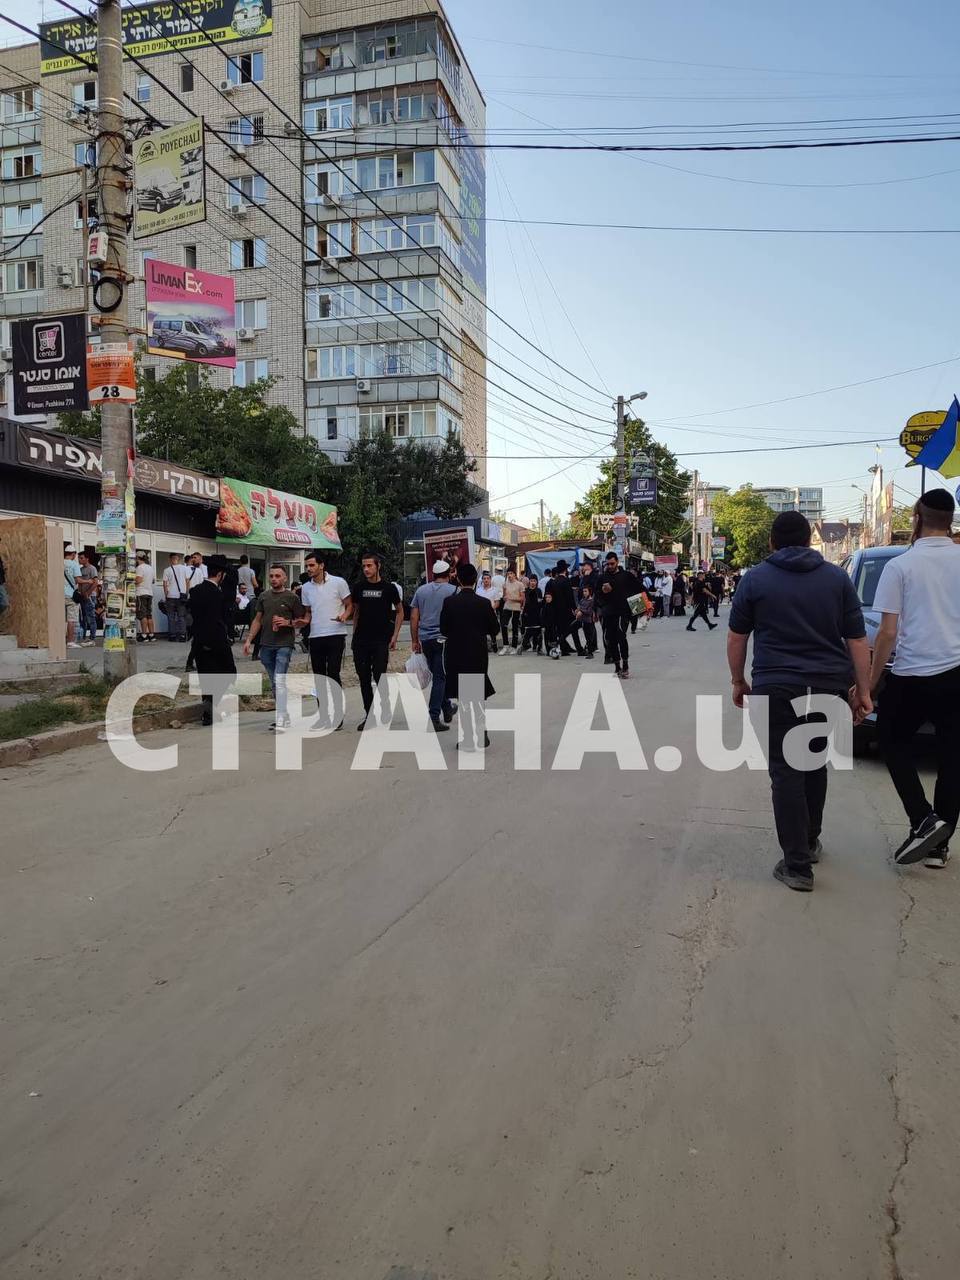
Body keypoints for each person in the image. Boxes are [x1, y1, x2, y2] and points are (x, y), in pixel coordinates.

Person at [727, 510, 871, 893]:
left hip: (776, 687)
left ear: (771, 542)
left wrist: (738, 681)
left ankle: (797, 866)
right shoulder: (837, 578)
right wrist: (864, 690)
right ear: (809, 541)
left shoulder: (755, 578)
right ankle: (809, 841)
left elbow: (737, 637)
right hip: (827, 686)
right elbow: (857, 639)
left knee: (786, 771)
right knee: (813, 763)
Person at [869, 489, 960, 868]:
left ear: (917, 519)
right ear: (950, 520)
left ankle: (922, 817)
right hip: (957, 673)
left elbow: (887, 633)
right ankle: (939, 848)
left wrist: (869, 683)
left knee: (891, 739)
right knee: (952, 756)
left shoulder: (900, 566)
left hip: (912, 674)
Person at [439, 563, 500, 751]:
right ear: (475, 580)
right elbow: (495, 629)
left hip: (456, 654)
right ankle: (482, 733)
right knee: (477, 695)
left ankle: (467, 739)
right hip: (477, 654)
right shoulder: (483, 603)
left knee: (464, 697)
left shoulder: (449, 602)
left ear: (458, 579)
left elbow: (443, 629)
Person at [243, 565, 305, 733]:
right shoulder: (264, 596)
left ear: (285, 578)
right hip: (266, 644)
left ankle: (281, 717)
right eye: (271, 576)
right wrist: (249, 640)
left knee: (279, 680)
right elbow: (257, 620)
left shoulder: (292, 597)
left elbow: (302, 620)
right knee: (274, 682)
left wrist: (288, 623)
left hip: (284, 644)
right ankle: (284, 715)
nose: (274, 579)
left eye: (278, 576)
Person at [300, 549, 353, 732]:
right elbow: (308, 612)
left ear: (321, 566)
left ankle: (338, 716)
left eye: (312, 565)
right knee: (319, 678)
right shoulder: (306, 588)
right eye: (307, 566)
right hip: (315, 636)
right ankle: (323, 717)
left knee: (333, 674)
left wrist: (344, 616)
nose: (309, 569)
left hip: (336, 634)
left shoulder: (338, 582)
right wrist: (303, 622)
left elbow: (349, 605)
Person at [351, 552, 403, 731]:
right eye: (364, 566)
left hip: (381, 640)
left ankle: (385, 706)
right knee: (364, 678)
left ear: (378, 566)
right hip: (361, 640)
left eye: (369, 565)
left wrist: (395, 635)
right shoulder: (358, 588)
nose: (366, 569)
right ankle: (369, 714)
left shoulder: (389, 588)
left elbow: (400, 611)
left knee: (380, 676)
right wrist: (354, 635)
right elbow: (356, 612)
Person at [187, 554, 236, 726]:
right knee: (229, 673)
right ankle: (210, 705)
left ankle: (208, 714)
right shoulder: (218, 594)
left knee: (206, 677)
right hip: (216, 640)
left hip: (199, 641)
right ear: (220, 575)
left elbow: (192, 616)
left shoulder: (195, 591)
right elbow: (219, 620)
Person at [410, 559, 458, 731]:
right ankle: (434, 716)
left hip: (425, 639)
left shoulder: (421, 590)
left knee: (438, 676)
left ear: (434, 574)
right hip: (443, 639)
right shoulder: (454, 591)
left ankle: (447, 707)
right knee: (440, 677)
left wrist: (414, 640)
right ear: (448, 574)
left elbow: (414, 617)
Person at [596, 551, 636, 678]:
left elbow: (638, 588)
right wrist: (602, 595)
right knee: (611, 639)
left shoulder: (626, 576)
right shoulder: (602, 577)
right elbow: (597, 594)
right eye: (608, 564)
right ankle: (617, 666)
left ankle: (625, 665)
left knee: (621, 636)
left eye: (612, 564)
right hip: (608, 612)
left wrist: (648, 603)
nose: (610, 566)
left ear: (617, 562)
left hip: (623, 612)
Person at [545, 560, 584, 659]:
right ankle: (579, 649)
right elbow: (570, 597)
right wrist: (575, 609)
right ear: (565, 570)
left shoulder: (554, 582)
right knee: (574, 628)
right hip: (566, 610)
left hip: (556, 610)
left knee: (561, 629)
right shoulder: (566, 581)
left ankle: (564, 649)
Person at [162, 553, 189, 642]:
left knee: (171, 616)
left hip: (171, 596)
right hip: (181, 596)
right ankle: (182, 636)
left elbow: (165, 584)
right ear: (178, 559)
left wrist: (166, 595)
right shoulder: (184, 568)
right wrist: (186, 593)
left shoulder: (167, 570)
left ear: (170, 559)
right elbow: (187, 582)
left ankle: (172, 636)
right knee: (181, 616)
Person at [76, 552, 99, 646]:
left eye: (81, 558)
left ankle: (92, 637)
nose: (79, 560)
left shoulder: (92, 569)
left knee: (91, 617)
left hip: (90, 596)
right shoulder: (80, 569)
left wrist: (88, 593)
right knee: (83, 617)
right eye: (79, 558)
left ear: (87, 559)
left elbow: (95, 582)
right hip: (82, 595)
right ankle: (83, 637)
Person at [476, 570, 502, 654]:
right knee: (482, 630)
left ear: (490, 580)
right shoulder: (478, 590)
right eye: (484, 579)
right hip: (481, 614)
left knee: (492, 630)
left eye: (488, 578)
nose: (486, 580)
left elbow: (497, 602)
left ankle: (494, 643)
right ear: (482, 580)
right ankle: (483, 646)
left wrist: (491, 609)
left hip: (491, 613)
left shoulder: (495, 590)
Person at [500, 568, 524, 653]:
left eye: (511, 573)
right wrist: (504, 598)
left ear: (514, 574)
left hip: (515, 608)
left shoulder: (520, 584)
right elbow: (504, 596)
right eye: (508, 573)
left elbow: (522, 598)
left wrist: (511, 598)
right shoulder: (505, 584)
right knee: (503, 625)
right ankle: (505, 645)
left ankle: (514, 646)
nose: (509, 575)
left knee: (514, 627)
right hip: (506, 607)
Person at [134, 551, 156, 643]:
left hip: (141, 593)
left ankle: (144, 635)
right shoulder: (150, 568)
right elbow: (153, 581)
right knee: (148, 615)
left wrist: (131, 581)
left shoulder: (139, 568)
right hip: (149, 593)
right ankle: (152, 635)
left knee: (142, 615)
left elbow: (138, 580)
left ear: (137, 558)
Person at [520, 575, 544, 654]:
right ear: (529, 582)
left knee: (538, 631)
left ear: (536, 582)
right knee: (528, 630)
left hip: (537, 613)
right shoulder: (526, 590)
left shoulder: (538, 591)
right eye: (531, 581)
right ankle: (526, 645)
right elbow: (524, 602)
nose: (533, 582)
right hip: (527, 613)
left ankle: (537, 647)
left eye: (534, 581)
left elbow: (540, 602)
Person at [574, 583, 598, 658]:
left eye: (586, 591)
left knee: (589, 638)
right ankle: (588, 651)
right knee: (587, 637)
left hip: (589, 622)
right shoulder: (582, 600)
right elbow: (579, 607)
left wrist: (581, 611)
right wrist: (577, 611)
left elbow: (589, 612)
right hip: (583, 621)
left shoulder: (591, 601)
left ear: (589, 592)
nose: (584, 593)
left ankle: (590, 653)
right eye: (583, 591)